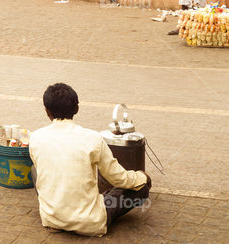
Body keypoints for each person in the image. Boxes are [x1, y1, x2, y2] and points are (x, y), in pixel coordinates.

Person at [29, 83, 150, 237]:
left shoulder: (35, 137)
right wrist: (141, 176)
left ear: (47, 111)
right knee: (141, 188)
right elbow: (119, 179)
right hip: (91, 223)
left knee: (34, 169)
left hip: (51, 218)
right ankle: (94, 209)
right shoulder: (93, 138)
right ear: (76, 108)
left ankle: (57, 220)